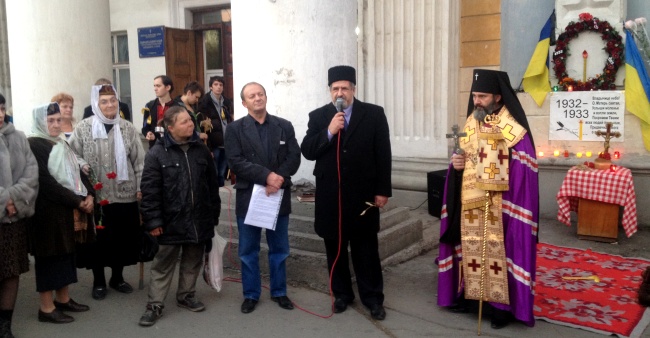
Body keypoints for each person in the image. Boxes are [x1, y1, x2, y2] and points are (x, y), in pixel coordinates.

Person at [436, 69, 539, 329]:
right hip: (471, 202)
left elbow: (525, 172)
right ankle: (471, 300)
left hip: (500, 206)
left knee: (499, 257)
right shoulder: (471, 122)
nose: (476, 101)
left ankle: (500, 309)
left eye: (482, 96)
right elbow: (463, 159)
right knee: (471, 252)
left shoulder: (513, 130)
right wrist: (456, 165)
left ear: (498, 97)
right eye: (474, 96)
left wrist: (501, 189)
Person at [300, 65, 392, 321]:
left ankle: (373, 298)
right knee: (335, 248)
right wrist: (329, 131)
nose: (340, 92)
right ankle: (341, 294)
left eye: (344, 88)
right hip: (332, 196)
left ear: (353, 89)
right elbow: (308, 150)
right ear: (329, 91)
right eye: (335, 88)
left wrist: (383, 190)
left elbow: (383, 154)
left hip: (363, 195)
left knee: (366, 250)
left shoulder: (373, 114)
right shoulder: (319, 116)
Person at [138, 106, 220, 326]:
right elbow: (150, 190)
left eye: (190, 120)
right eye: (184, 122)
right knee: (163, 265)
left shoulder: (201, 150)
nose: (190, 124)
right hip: (169, 221)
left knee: (192, 261)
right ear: (170, 127)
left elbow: (212, 185)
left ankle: (186, 296)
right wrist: (153, 221)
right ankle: (154, 305)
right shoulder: (157, 153)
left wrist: (213, 215)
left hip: (198, 219)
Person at [224, 82, 301, 314]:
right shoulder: (235, 129)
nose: (257, 98)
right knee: (248, 251)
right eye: (251, 96)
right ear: (244, 102)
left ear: (266, 97)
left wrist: (278, 179)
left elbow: (294, 157)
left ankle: (279, 291)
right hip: (250, 197)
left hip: (277, 196)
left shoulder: (283, 126)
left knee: (279, 249)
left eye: (260, 94)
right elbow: (236, 162)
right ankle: (251, 294)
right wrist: (268, 176)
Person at [69, 84, 145, 301]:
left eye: (113, 100)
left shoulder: (127, 128)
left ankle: (117, 278)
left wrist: (140, 188)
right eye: (104, 101)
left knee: (121, 239)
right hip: (97, 195)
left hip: (125, 194)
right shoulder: (84, 128)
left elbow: (139, 162)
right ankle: (99, 281)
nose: (110, 104)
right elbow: (71, 155)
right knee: (98, 241)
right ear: (96, 103)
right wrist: (82, 164)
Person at [28, 103, 95, 324]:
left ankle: (63, 299)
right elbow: (46, 183)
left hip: (65, 211)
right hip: (46, 214)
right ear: (40, 122)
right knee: (49, 257)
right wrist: (77, 201)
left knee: (66, 255)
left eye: (58, 120)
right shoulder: (34, 145)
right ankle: (46, 308)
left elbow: (76, 170)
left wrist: (90, 195)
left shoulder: (61, 143)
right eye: (50, 121)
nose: (56, 124)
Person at [0, 93, 38, 336]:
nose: (0, 114)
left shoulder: (19, 137)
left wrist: (14, 200)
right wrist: (5, 201)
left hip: (13, 221)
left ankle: (5, 326)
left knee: (11, 272)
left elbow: (31, 173)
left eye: (2, 108)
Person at [198, 76, 233, 186]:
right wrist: (208, 147)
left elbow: (230, 120)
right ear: (210, 87)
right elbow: (202, 126)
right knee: (213, 171)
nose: (218, 87)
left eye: (221, 85)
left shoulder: (226, 102)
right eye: (216, 84)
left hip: (226, 142)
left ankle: (221, 193)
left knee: (222, 173)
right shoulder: (204, 102)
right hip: (213, 143)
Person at [142, 75, 183, 148]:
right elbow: (145, 127)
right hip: (155, 146)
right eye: (154, 86)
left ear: (168, 87)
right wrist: (148, 133)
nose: (155, 89)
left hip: (174, 146)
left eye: (158, 86)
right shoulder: (149, 106)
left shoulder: (178, 107)